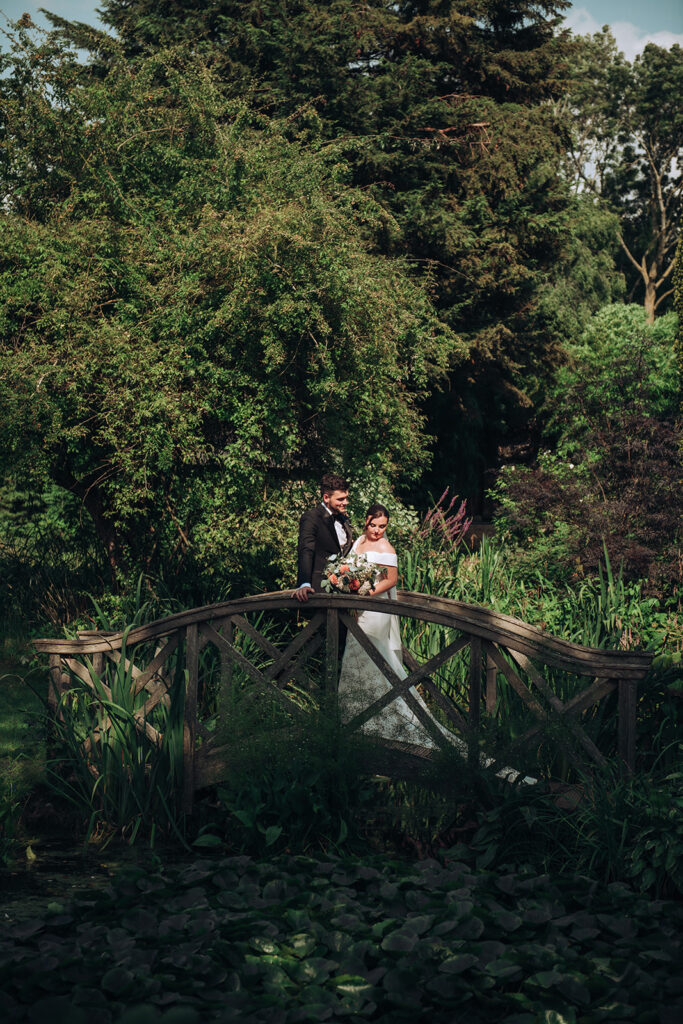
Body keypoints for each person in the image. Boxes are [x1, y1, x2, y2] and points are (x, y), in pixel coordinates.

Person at [338, 503, 453, 748]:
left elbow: (391, 580)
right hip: (357, 606)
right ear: (366, 521)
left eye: (382, 526)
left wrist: (366, 592)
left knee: (376, 656)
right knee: (355, 656)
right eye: (373, 525)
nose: (377, 530)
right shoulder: (358, 542)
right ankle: (357, 718)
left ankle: (392, 718)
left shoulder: (386, 548)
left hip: (376, 609)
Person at [295, 472, 353, 602]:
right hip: (318, 590)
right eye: (341, 499)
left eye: (346, 498)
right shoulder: (311, 517)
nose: (346, 502)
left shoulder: (344, 519)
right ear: (326, 498)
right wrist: (304, 584)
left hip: (343, 590)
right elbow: (306, 550)